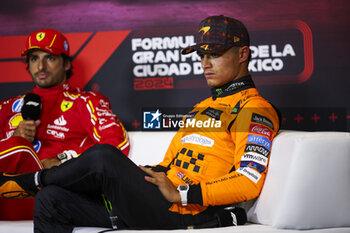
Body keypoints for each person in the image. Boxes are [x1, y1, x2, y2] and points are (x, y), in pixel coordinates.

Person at [0, 16, 280, 232]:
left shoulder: (254, 109)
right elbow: (171, 163)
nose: (205, 63)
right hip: (158, 201)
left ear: (243, 54)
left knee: (104, 156)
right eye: (201, 55)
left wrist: (183, 193)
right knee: (51, 200)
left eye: (215, 54)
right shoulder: (202, 109)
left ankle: (26, 181)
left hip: (187, 209)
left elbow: (249, 180)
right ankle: (39, 184)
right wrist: (142, 174)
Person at [0, 28, 130, 173]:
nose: (41, 66)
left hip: (55, 188)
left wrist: (64, 159)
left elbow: (116, 144)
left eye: (50, 58)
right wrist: (13, 142)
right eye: (34, 58)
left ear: (66, 64)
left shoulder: (86, 102)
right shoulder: (7, 106)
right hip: (8, 187)